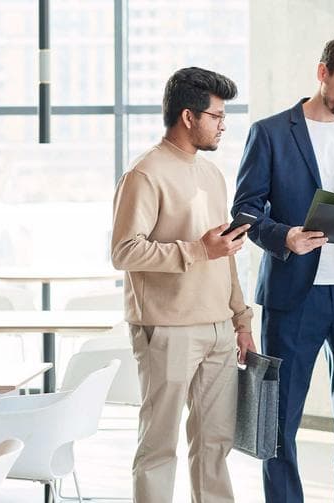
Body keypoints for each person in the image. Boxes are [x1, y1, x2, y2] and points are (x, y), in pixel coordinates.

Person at [232, 35, 334, 503]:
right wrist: (284, 236)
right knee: (280, 417)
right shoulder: (270, 132)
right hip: (293, 294)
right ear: (323, 72)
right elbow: (245, 211)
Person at [111, 67, 256, 503]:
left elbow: (223, 253)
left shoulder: (211, 174)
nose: (223, 125)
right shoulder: (145, 173)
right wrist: (195, 251)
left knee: (215, 446)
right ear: (189, 117)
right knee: (159, 445)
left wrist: (241, 320)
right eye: (216, 115)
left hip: (218, 329)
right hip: (167, 328)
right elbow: (124, 251)